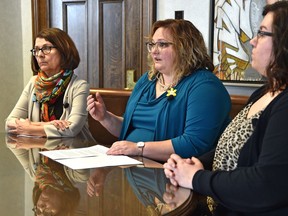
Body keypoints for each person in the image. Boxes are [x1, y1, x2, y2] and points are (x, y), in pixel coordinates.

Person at [164, 2, 288, 215]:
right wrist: (191, 164)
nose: (252, 41)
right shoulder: (264, 92)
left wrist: (195, 177)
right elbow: (232, 147)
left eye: (262, 33)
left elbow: (265, 184)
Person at [87, 19, 231, 162]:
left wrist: (138, 148)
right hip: (132, 167)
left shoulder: (205, 86)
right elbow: (128, 129)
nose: (154, 51)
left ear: (185, 48)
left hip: (170, 173)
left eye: (162, 44)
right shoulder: (147, 81)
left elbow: (194, 144)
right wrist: (105, 117)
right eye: (152, 44)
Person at [5, 28, 94, 140]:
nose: (40, 55)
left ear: (63, 51)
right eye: (36, 50)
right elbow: (9, 123)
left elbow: (72, 129)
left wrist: (30, 129)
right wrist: (48, 125)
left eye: (46, 48)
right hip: (40, 149)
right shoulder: (33, 83)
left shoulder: (79, 86)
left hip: (73, 151)